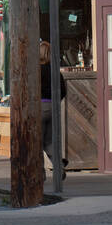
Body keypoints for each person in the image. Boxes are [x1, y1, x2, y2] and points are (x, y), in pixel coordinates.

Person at [39, 40, 66, 179]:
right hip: (53, 107)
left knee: (37, 142)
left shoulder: (36, 70)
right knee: (50, 142)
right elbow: (63, 90)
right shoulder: (55, 71)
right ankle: (59, 167)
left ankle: (39, 174)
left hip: (40, 107)